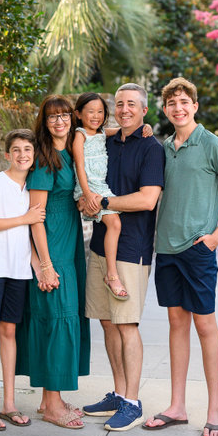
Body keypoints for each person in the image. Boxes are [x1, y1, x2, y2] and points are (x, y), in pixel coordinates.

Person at [142, 77, 218, 436]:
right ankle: (177, 406)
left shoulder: (211, 143)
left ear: (195, 106)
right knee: (176, 324)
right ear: (166, 109)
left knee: (205, 325)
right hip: (167, 249)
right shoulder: (164, 146)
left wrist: (216, 236)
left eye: (184, 102)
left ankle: (214, 411)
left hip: (198, 250)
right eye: (172, 103)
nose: (178, 108)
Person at [81, 83, 165, 431]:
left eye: (132, 104)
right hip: (101, 245)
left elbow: (147, 200)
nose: (125, 109)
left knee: (127, 325)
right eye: (120, 103)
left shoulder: (152, 148)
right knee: (106, 321)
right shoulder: (107, 141)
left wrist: (101, 203)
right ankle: (118, 392)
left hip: (132, 251)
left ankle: (132, 401)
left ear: (145, 111)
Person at [15, 95, 91, 430]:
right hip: (53, 247)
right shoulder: (45, 160)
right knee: (56, 319)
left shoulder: (72, 152)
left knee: (61, 318)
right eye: (51, 116)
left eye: (63, 115)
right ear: (44, 122)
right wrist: (44, 264)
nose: (59, 121)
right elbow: (35, 217)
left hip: (70, 244)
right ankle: (53, 403)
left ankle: (49, 401)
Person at [0, 128, 44, 431]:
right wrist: (24, 218)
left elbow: (26, 237)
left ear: (34, 155)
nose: (22, 155)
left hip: (18, 271)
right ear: (7, 154)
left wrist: (38, 267)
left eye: (27, 150)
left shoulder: (33, 187)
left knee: (9, 333)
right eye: (16, 150)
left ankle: (9, 404)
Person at [72, 92, 154, 302]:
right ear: (79, 114)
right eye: (90, 112)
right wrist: (87, 194)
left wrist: (146, 127)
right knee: (115, 224)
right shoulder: (79, 135)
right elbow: (79, 167)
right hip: (90, 187)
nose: (96, 116)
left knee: (114, 224)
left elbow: (122, 129)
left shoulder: (102, 133)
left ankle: (111, 274)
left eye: (100, 111)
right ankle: (112, 274)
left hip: (101, 189)